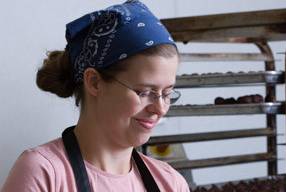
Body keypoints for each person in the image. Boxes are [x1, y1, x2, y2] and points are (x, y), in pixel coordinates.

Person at [1, 0, 190, 191]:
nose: (160, 108)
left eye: (167, 93)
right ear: (94, 82)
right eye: (145, 92)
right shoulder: (43, 173)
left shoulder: (171, 184)